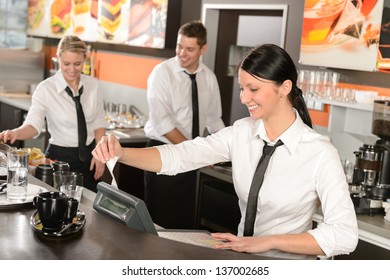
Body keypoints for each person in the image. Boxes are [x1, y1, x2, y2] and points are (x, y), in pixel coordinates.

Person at [92, 44, 358, 259]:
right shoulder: (242, 132)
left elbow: (344, 234)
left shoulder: (320, 153)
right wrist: (122, 152)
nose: (244, 98)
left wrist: (267, 242)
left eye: (253, 89)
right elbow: (181, 156)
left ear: (284, 88)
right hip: (241, 262)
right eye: (242, 89)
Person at [142, 20, 225, 229]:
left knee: (183, 224)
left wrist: (230, 151)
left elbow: (214, 120)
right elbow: (164, 124)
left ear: (203, 49)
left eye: (190, 49)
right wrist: (196, 153)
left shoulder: (209, 78)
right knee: (158, 224)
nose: (182, 53)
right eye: (179, 46)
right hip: (162, 153)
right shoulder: (162, 73)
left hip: (190, 158)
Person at [0, 35, 106, 192]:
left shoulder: (93, 85)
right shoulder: (46, 89)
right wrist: (16, 133)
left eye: (77, 64)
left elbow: (98, 122)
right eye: (66, 64)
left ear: (85, 59)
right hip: (60, 160)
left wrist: (100, 154)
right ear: (58, 59)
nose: (72, 69)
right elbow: (34, 125)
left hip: (90, 159)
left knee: (89, 208)